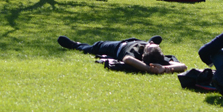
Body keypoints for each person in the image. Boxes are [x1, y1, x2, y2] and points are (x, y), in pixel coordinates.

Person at [57, 35, 187, 74]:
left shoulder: (137, 55)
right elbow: (182, 66)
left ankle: (76, 45)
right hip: (135, 41)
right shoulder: (159, 57)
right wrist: (164, 68)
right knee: (152, 40)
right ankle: (149, 40)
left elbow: (127, 59)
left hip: (118, 47)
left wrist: (157, 69)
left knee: (95, 47)